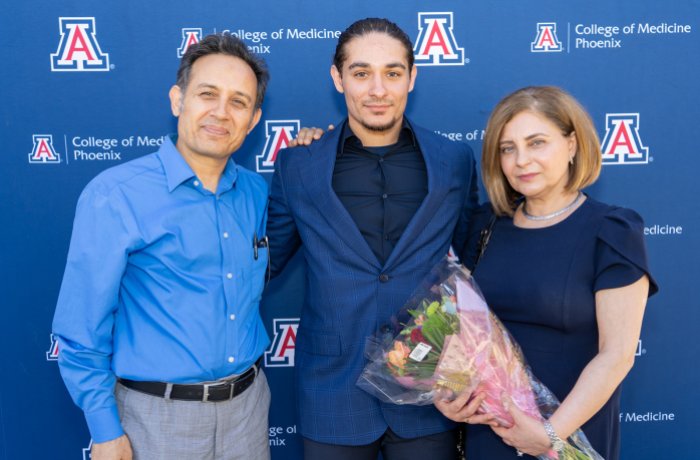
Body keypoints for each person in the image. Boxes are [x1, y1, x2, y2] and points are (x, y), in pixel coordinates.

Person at [267, 17, 478, 460]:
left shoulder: (454, 160)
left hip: (427, 389)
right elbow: (263, 266)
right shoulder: (299, 166)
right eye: (361, 73)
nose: (378, 90)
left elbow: (471, 267)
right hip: (331, 389)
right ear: (338, 78)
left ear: (412, 77)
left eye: (393, 73)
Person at [52, 33, 271, 460]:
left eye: (239, 102)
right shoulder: (115, 195)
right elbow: (81, 331)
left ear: (254, 118)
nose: (221, 113)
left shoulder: (255, 192)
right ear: (177, 99)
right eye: (207, 94)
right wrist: (104, 430)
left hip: (248, 413)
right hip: (154, 421)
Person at [434, 86, 657, 459]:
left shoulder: (612, 229)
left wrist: (550, 434)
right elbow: (463, 328)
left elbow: (617, 353)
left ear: (572, 144)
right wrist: (447, 392)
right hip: (488, 434)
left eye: (537, 143)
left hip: (568, 437)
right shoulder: (485, 224)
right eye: (508, 148)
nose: (521, 160)